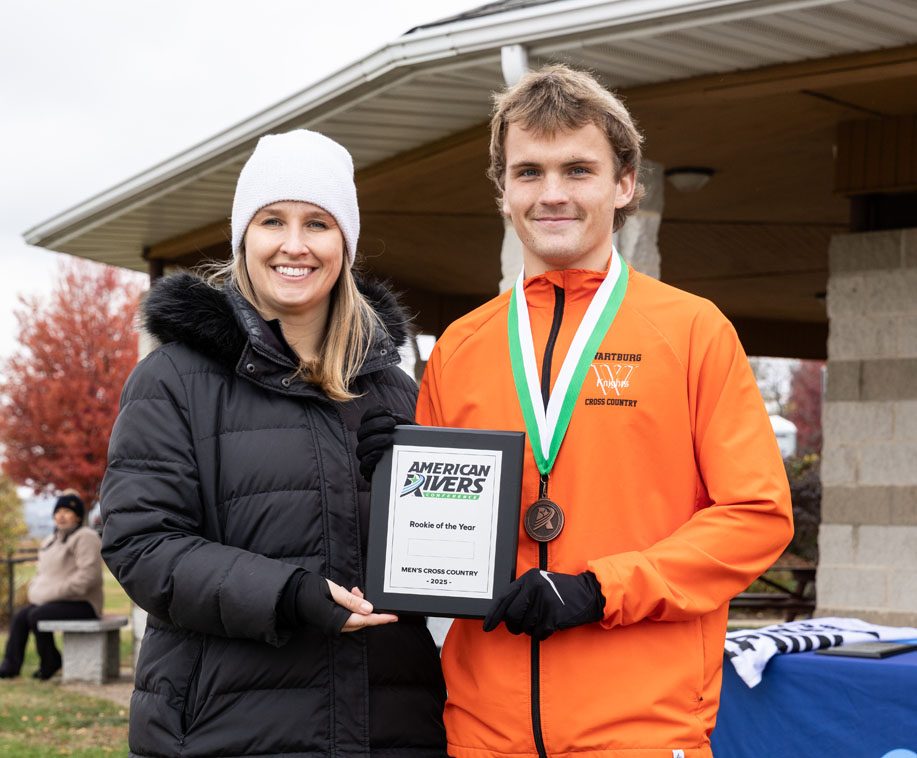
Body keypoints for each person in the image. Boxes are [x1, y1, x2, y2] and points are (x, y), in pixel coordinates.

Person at [358, 65, 793, 758]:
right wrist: (392, 479)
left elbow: (754, 517)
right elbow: (436, 540)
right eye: (528, 172)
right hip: (481, 732)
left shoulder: (690, 331)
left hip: (640, 731)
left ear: (623, 185)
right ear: (502, 192)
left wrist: (601, 589)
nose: (552, 193)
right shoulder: (461, 347)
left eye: (577, 170)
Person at [100, 130, 447, 757]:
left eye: (318, 223)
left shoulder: (396, 390)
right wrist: (288, 595)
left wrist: (426, 480)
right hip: (224, 730)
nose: (295, 244)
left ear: (345, 243)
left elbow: (440, 567)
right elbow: (142, 543)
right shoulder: (175, 378)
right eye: (272, 221)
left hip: (391, 726)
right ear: (243, 239)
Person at [0, 491, 102, 680]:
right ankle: (9, 667)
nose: (61, 515)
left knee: (36, 615)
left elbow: (89, 577)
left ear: (78, 516)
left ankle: (50, 661)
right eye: (58, 511)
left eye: (67, 511)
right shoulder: (50, 540)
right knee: (21, 616)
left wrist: (49, 594)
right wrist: (37, 591)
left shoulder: (86, 537)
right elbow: (42, 574)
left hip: (83, 604)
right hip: (54, 602)